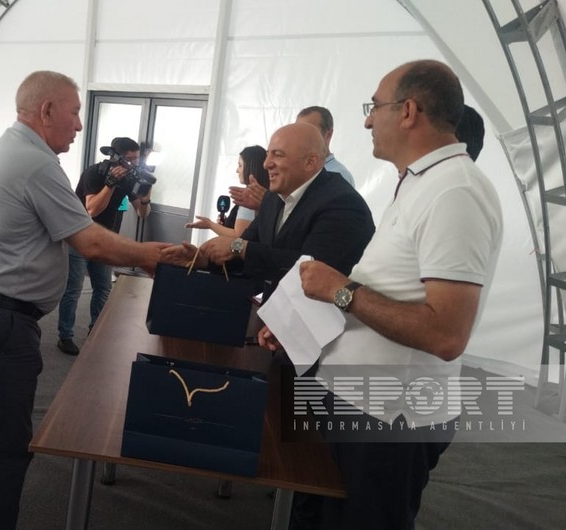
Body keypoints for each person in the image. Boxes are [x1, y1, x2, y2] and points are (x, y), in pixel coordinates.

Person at [262, 60, 503, 529]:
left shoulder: (455, 192)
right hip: (357, 401)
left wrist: (340, 288)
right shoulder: (421, 182)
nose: (368, 120)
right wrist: (301, 328)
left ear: (408, 111)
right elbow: (388, 292)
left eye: (374, 107)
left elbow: (446, 333)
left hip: (388, 417)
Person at [0, 70, 167, 529]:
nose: (80, 125)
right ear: (47, 111)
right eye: (75, 112)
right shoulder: (35, 162)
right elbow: (91, 241)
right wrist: (154, 256)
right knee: (2, 450)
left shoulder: (15, 150)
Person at [164, 122, 374, 297]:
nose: (266, 164)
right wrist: (205, 261)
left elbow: (312, 271)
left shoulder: (343, 204)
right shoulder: (274, 197)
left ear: (310, 162)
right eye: (267, 155)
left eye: (278, 155)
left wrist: (241, 247)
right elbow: (247, 252)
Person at [55, 136, 153, 355]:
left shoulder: (128, 179)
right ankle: (65, 336)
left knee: (103, 288)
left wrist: (146, 197)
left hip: (105, 240)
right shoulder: (93, 173)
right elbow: (92, 210)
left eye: (136, 159)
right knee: (73, 289)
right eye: (130, 159)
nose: (134, 164)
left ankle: (96, 331)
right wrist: (110, 184)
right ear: (116, 157)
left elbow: (143, 213)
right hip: (80, 236)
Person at [185, 145, 269, 238]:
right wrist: (227, 224)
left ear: (250, 167)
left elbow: (238, 236)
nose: (237, 170)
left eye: (240, 165)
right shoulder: (262, 198)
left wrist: (210, 225)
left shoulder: (250, 199)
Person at [296, 105, 356, 187]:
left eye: (309, 131)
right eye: (298, 131)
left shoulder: (339, 175)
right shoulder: (297, 172)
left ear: (328, 135)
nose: (301, 137)